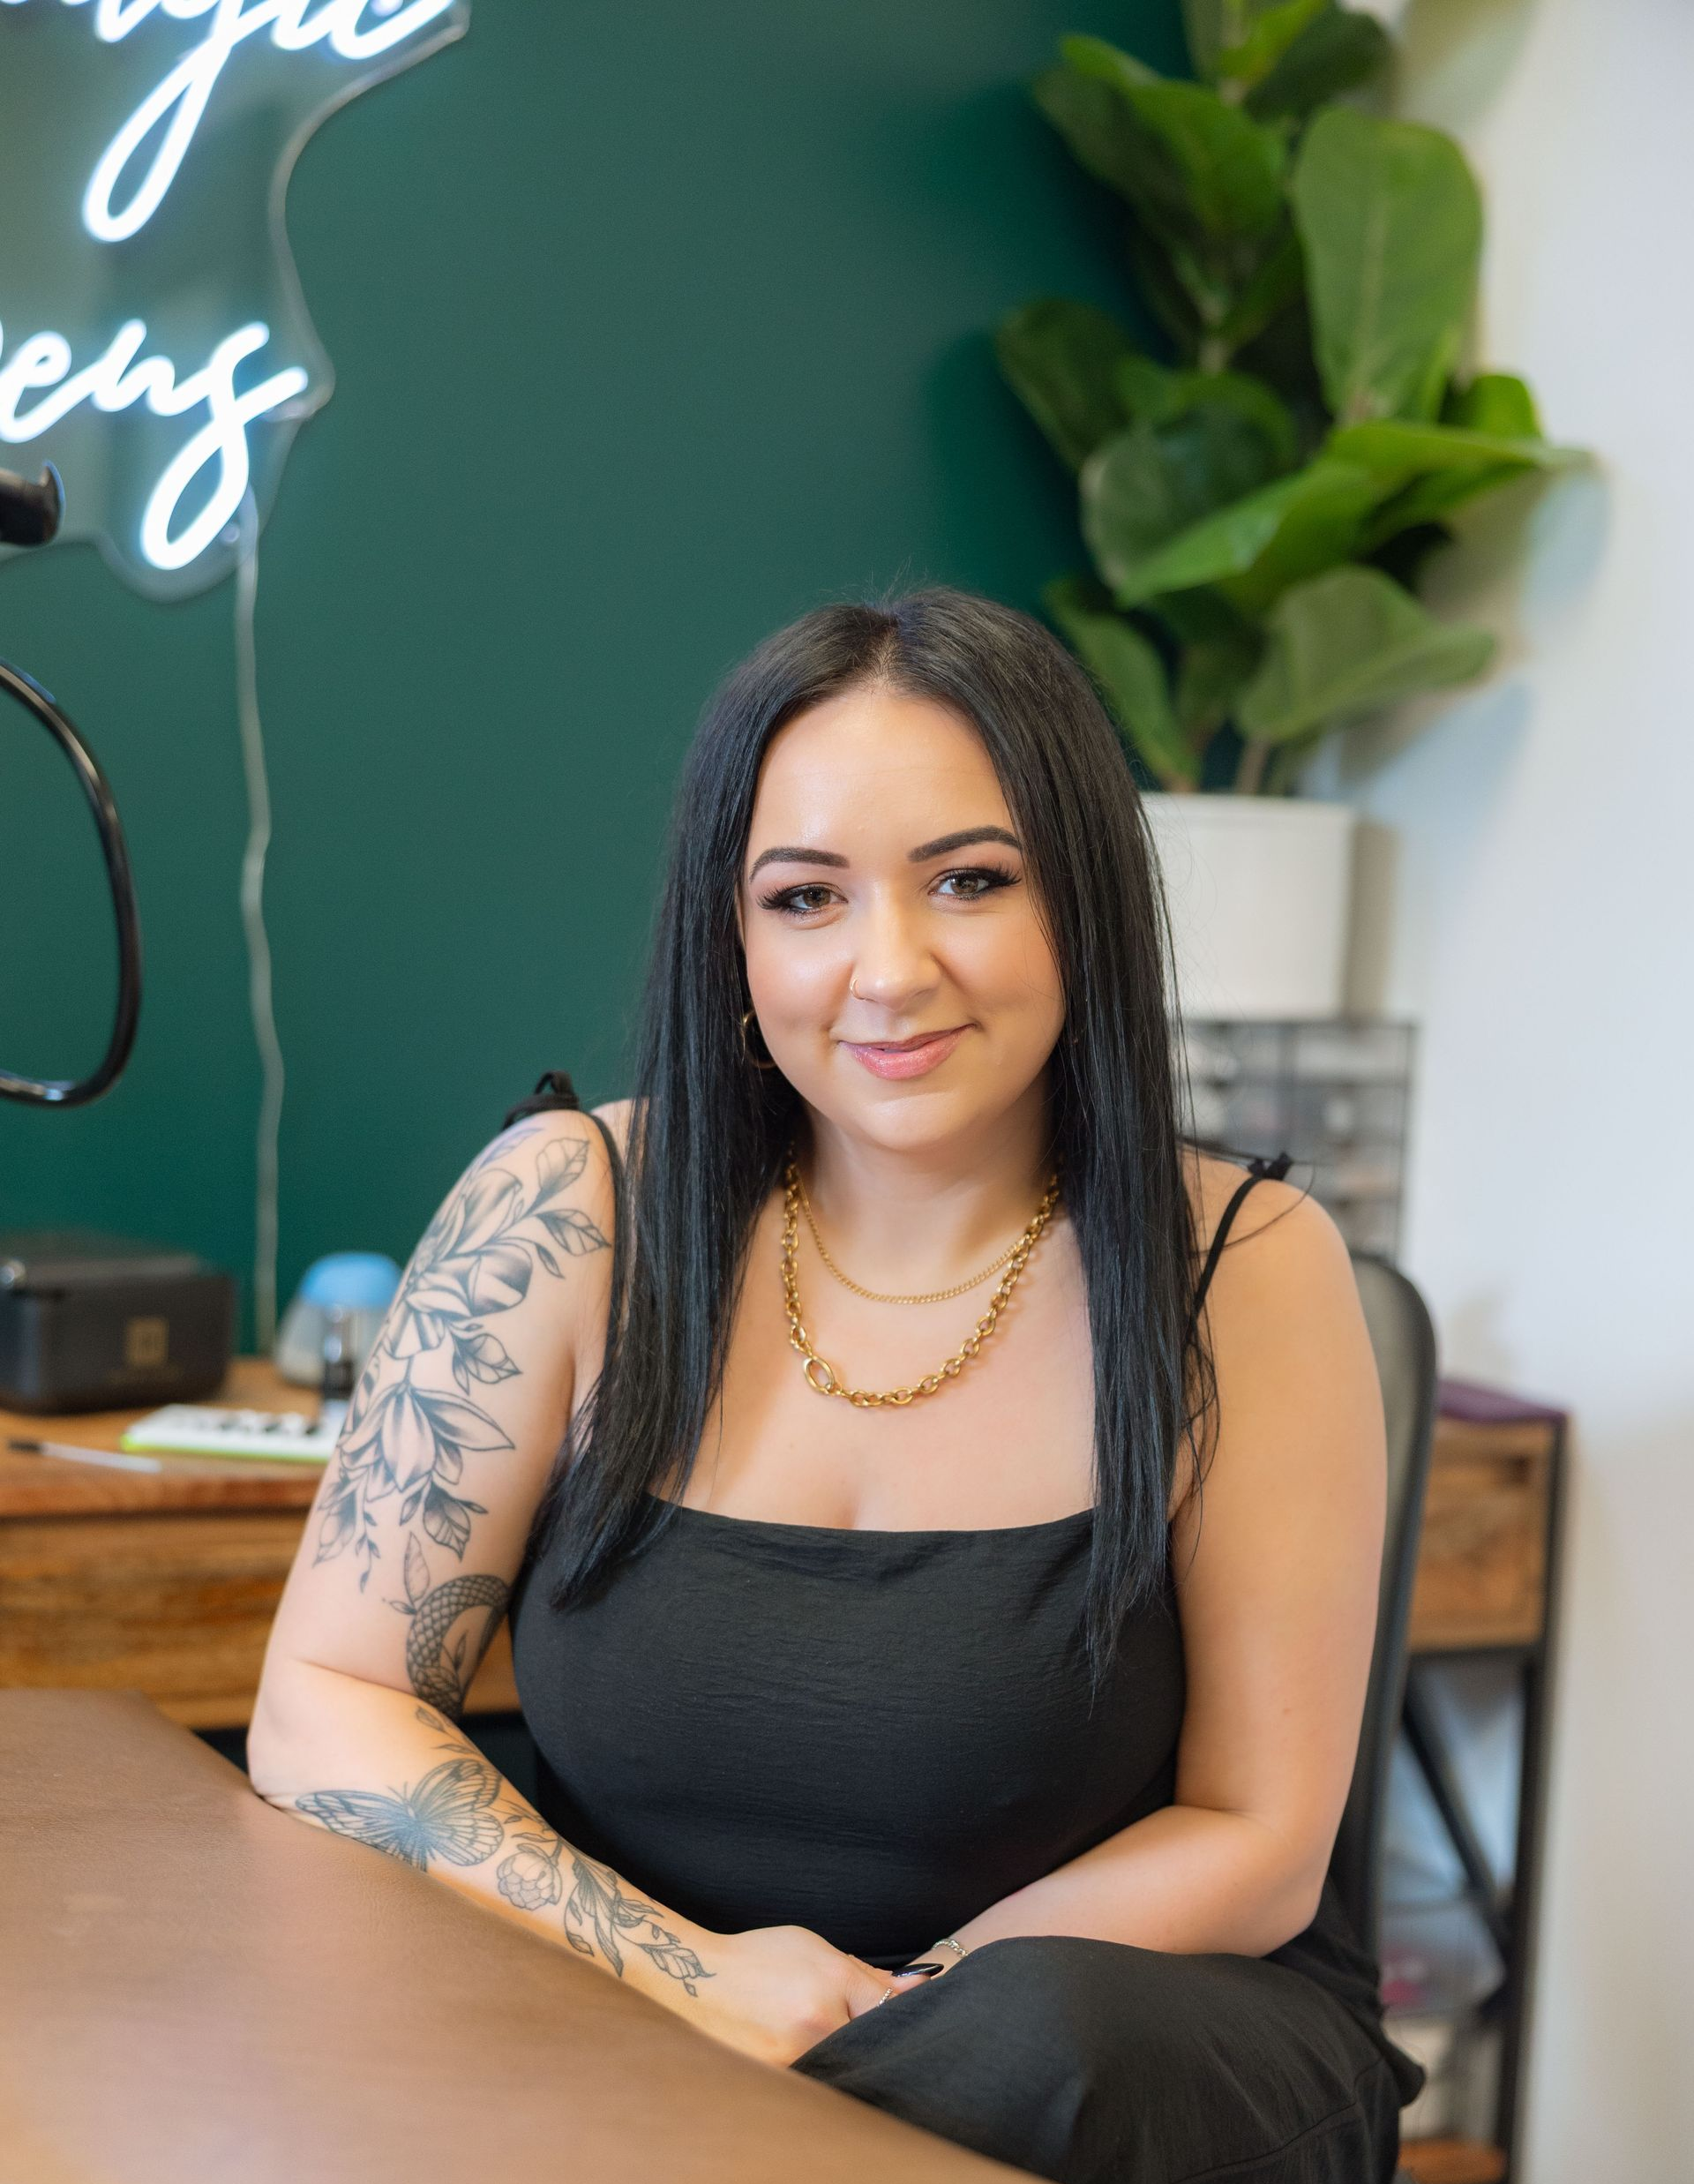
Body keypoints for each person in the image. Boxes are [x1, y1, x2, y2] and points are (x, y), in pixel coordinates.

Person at [250, 586, 1428, 2183]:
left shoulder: (1247, 1261)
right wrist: (691, 1980)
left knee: (1035, 2044)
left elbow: (1259, 1841)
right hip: (651, 2011)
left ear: (1082, 899)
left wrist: (869, 2025)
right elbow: (331, 1699)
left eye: (969, 880)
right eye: (806, 896)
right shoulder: (567, 1208)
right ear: (731, 939)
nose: (889, 967)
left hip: (1121, 2050)